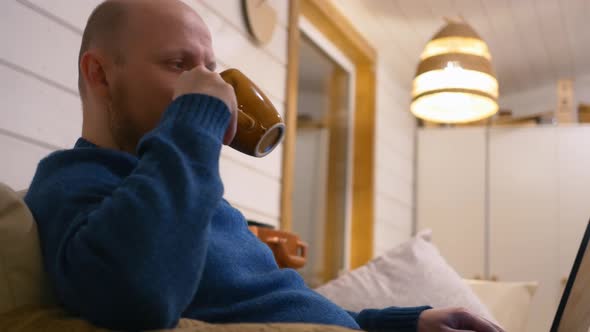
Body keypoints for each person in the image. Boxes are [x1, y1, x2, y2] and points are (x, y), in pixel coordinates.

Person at [24, 1, 504, 331]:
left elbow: (279, 307)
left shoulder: (189, 191)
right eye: (179, 65)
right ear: (100, 73)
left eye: (210, 68)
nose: (213, 85)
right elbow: (137, 296)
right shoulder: (72, 181)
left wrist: (404, 323)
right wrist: (195, 123)